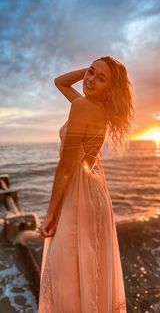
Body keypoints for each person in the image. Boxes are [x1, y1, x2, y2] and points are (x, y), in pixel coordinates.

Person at [37, 55, 134, 312]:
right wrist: (95, 72)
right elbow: (61, 82)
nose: (90, 80)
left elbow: (68, 165)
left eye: (100, 79)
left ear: (110, 89)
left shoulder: (82, 107)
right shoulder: (94, 107)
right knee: (87, 274)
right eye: (90, 73)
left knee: (67, 277)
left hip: (79, 194)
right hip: (93, 193)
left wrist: (50, 212)